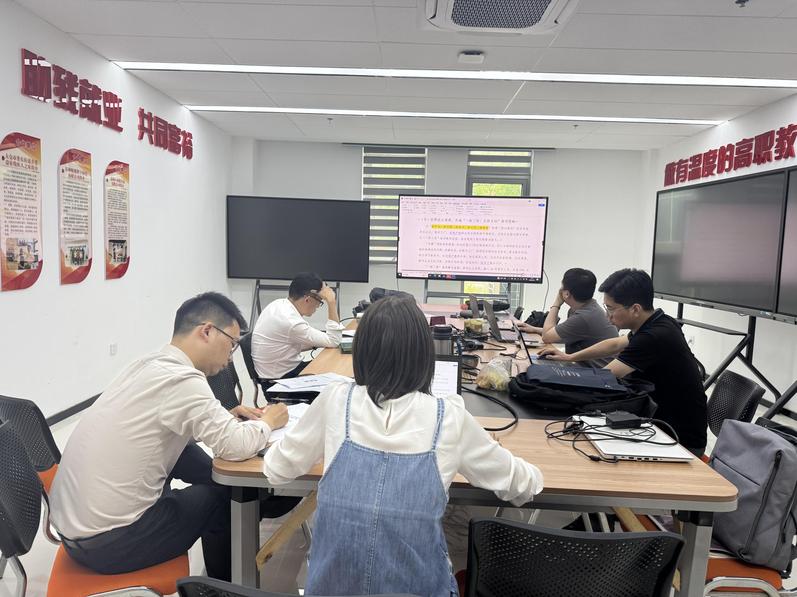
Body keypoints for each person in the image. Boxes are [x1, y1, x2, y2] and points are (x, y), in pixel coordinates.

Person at [263, 295, 543, 597]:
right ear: (424, 354)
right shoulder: (449, 416)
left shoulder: (335, 400)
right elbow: (524, 485)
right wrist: (492, 450)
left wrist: (271, 427)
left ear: (361, 351)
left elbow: (276, 470)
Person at [49, 292, 289, 581]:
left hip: (76, 531)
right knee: (226, 498)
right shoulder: (182, 380)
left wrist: (225, 417)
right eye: (232, 343)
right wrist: (270, 421)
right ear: (207, 331)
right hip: (111, 543)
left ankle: (255, 498)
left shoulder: (147, 364)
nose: (230, 356)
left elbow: (167, 426)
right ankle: (226, 586)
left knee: (194, 459)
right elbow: (235, 446)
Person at [539, 269, 708, 455]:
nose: (608, 316)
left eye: (611, 309)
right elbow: (615, 344)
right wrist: (570, 357)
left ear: (635, 309)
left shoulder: (654, 336)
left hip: (678, 439)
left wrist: (554, 382)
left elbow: (604, 377)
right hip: (655, 421)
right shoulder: (658, 321)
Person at [251, 272, 343, 381]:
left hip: (277, 371)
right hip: (279, 380)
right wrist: (331, 302)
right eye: (320, 301)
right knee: (337, 370)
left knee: (331, 363)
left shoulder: (278, 304)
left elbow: (287, 343)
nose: (319, 306)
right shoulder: (291, 322)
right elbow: (334, 341)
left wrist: (318, 342)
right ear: (308, 299)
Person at [518, 267, 618, 367]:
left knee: (526, 366)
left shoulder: (584, 317)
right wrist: (534, 329)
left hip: (595, 372)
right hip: (586, 366)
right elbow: (560, 332)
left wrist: (557, 303)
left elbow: (546, 337)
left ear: (566, 294)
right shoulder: (589, 308)